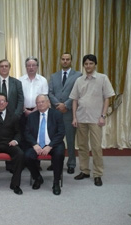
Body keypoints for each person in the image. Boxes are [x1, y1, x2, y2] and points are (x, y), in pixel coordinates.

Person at [70, 54, 115, 186]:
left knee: (96, 147)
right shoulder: (79, 80)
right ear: (83, 65)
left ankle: (97, 174)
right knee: (82, 146)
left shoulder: (103, 78)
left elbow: (107, 98)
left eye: (91, 63)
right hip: (81, 117)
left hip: (96, 119)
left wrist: (103, 115)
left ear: (95, 64)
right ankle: (84, 170)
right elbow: (75, 100)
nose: (88, 66)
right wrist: (74, 117)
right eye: (86, 64)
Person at [24, 94, 65, 195]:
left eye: (42, 102)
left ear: (48, 102)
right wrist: (34, 144)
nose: (40, 104)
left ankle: (56, 183)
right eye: (38, 102)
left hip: (53, 144)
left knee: (59, 154)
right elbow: (26, 132)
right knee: (27, 156)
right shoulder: (32, 117)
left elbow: (61, 133)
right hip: (37, 144)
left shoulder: (56, 114)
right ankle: (37, 177)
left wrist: (50, 146)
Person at [48, 53, 82, 174]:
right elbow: (50, 93)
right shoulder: (54, 76)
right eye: (63, 59)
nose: (65, 61)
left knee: (70, 140)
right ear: (60, 61)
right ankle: (54, 162)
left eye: (67, 59)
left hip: (69, 113)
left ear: (71, 61)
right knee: (54, 139)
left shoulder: (78, 75)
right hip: (56, 113)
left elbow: (78, 93)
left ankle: (71, 163)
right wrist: (58, 105)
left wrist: (65, 105)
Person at [19, 57, 48, 172]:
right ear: (26, 67)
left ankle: (36, 162)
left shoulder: (42, 80)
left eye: (33, 65)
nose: (31, 67)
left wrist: (34, 111)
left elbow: (44, 98)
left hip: (38, 112)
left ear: (37, 66)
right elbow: (19, 98)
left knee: (36, 136)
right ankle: (24, 161)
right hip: (23, 111)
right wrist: (25, 110)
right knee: (23, 136)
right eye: (29, 65)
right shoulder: (20, 80)